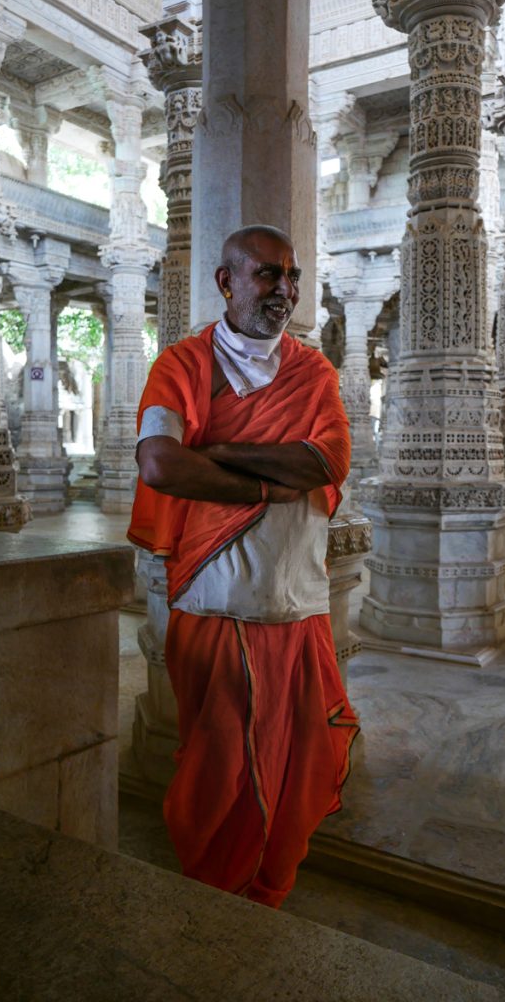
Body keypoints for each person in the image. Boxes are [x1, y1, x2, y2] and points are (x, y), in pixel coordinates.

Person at [128, 224, 359, 908]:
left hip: (296, 599)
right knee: (218, 761)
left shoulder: (312, 372)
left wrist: (219, 451)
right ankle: (211, 890)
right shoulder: (182, 364)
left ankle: (267, 887)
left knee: (299, 752)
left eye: (290, 276)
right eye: (266, 275)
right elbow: (160, 462)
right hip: (212, 598)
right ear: (226, 282)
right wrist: (266, 482)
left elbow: (326, 462)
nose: (283, 290)